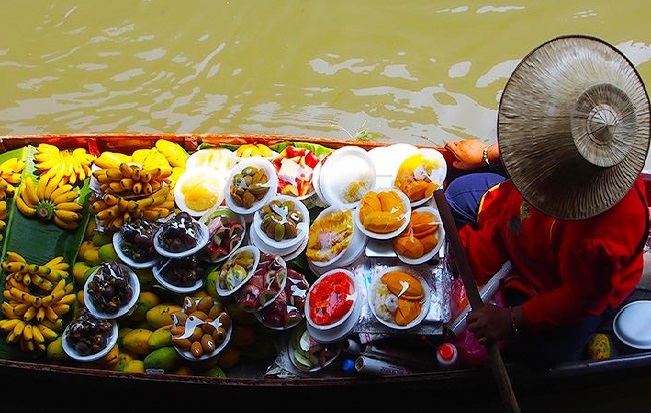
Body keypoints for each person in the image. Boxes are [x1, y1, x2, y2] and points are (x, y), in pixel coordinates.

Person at [443, 138, 650, 367]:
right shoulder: (568, 137)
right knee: (456, 195)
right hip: (522, 219)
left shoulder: (599, 241)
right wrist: (486, 155)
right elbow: (532, 141)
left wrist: (510, 319)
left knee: (531, 355)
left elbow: (579, 299)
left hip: (560, 282)